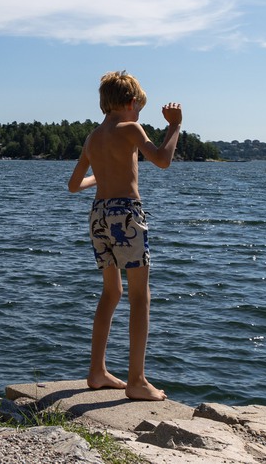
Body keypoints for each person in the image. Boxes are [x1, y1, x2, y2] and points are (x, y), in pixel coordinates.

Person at [67, 71, 182, 402]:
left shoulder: (92, 137)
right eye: (139, 109)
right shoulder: (131, 128)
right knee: (139, 297)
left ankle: (97, 371)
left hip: (99, 214)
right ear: (131, 104)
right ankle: (136, 380)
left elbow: (74, 185)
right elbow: (161, 160)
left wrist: (99, 179)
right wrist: (174, 127)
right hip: (127, 214)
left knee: (110, 292)